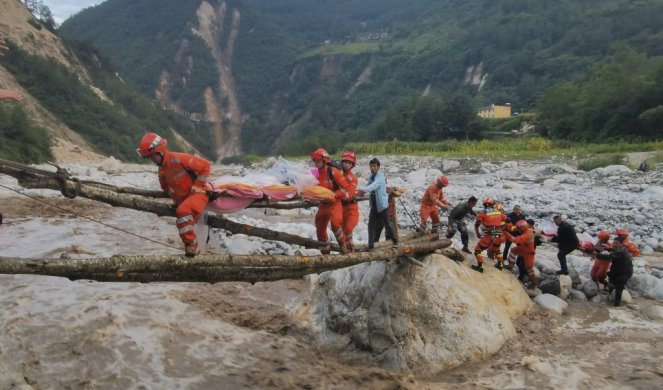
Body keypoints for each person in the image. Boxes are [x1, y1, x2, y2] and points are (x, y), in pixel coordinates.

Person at [137, 132, 211, 257]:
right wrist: (175, 197)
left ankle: (190, 245)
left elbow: (205, 165)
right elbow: (165, 187)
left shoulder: (179, 158)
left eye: (152, 156)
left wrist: (198, 185)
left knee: (182, 211)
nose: (152, 160)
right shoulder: (162, 171)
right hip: (185, 199)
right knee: (185, 222)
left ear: (159, 151)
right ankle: (197, 256)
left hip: (199, 194)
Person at [311, 148, 351, 254]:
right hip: (323, 204)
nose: (316, 162)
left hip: (334, 203)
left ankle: (343, 245)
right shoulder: (314, 174)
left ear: (325, 161)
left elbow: (345, 187)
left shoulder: (333, 172)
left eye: (318, 160)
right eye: (315, 160)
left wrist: (334, 195)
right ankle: (325, 252)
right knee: (319, 226)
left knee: (335, 224)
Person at [362, 158, 398, 250]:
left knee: (387, 224)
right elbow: (368, 186)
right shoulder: (371, 177)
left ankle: (395, 241)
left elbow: (374, 186)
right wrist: (360, 191)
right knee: (371, 225)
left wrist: (363, 191)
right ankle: (371, 245)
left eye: (374, 166)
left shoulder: (380, 177)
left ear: (378, 167)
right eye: (371, 166)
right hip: (374, 205)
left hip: (382, 206)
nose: (372, 168)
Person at [472, 197, 507, 272]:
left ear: (485, 205)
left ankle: (480, 267)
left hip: (489, 233)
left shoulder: (483, 213)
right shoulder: (498, 212)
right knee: (496, 249)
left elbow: (477, 224)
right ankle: (500, 265)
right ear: (493, 205)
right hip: (498, 232)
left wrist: (478, 233)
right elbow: (507, 219)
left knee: (478, 250)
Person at [597, 237, 633, 307]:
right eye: (613, 243)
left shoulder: (622, 251)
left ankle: (616, 305)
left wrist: (597, 255)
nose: (614, 244)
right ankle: (611, 293)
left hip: (624, 273)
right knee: (610, 276)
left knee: (619, 288)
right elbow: (614, 251)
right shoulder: (621, 249)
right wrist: (607, 249)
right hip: (617, 270)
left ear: (621, 244)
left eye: (616, 243)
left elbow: (609, 257)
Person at [504, 219, 538, 290]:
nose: (518, 230)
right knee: (513, 251)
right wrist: (508, 224)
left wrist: (506, 233)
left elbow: (516, 240)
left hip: (529, 252)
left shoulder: (527, 234)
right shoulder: (524, 229)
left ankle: (533, 282)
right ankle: (510, 266)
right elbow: (514, 228)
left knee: (529, 268)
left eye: (519, 229)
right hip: (523, 247)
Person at [340, 151, 359, 252]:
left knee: (348, 228)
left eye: (349, 163)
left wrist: (337, 195)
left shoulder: (353, 178)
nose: (346, 164)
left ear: (352, 165)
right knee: (343, 231)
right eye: (345, 162)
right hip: (341, 208)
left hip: (351, 208)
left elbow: (350, 194)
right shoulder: (338, 175)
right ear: (342, 162)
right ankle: (349, 248)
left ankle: (350, 248)